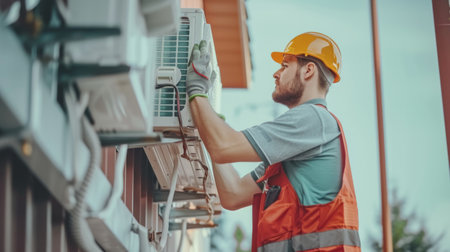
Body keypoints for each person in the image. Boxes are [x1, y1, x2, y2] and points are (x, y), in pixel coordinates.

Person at [186, 32, 361, 251]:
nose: (276, 74)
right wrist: (208, 121)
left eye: (285, 65)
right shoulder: (294, 150)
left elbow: (223, 147)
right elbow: (233, 194)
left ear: (308, 71)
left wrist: (197, 94)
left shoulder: (311, 119)